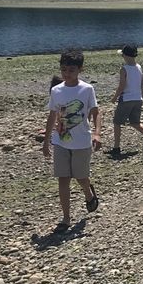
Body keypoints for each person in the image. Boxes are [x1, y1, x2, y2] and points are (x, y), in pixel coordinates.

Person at [43, 49, 101, 232]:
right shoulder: (56, 90)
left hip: (82, 141)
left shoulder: (87, 89)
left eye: (71, 71)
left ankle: (88, 192)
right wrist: (46, 141)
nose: (67, 74)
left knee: (81, 177)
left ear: (80, 70)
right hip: (60, 141)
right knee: (63, 179)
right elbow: (52, 115)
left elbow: (95, 112)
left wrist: (97, 134)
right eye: (64, 70)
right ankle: (66, 219)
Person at [110, 44, 143, 154]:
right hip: (138, 98)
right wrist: (141, 96)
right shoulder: (139, 67)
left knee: (117, 123)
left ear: (125, 55)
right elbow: (142, 84)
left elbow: (122, 86)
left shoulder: (124, 69)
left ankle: (116, 147)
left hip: (126, 98)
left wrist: (114, 97)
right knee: (135, 122)